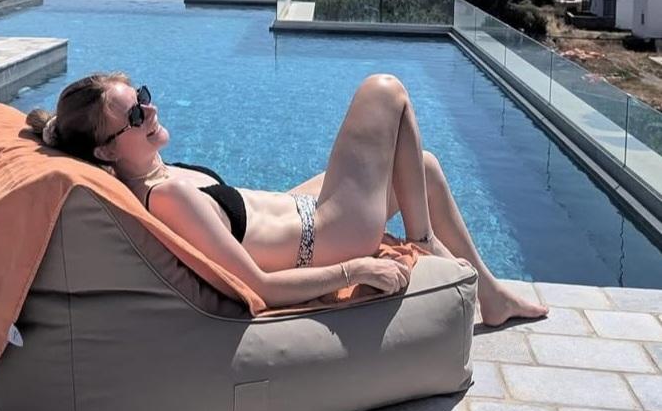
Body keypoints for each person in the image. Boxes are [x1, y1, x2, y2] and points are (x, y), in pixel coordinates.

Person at [27, 72, 549, 325]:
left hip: (301, 211)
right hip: (327, 236)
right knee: (386, 91)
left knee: (423, 167)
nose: (152, 109)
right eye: (136, 114)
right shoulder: (166, 197)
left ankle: (492, 297)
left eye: (142, 95)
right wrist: (354, 271)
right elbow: (259, 286)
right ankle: (424, 240)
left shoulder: (156, 172)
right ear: (106, 150)